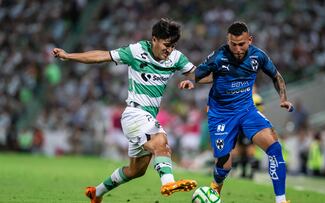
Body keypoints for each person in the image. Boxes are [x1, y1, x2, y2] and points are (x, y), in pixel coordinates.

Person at [53, 18, 197, 203]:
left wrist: (198, 79)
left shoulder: (176, 58)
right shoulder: (136, 51)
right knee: (161, 142)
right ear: (154, 39)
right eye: (166, 44)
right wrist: (68, 56)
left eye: (173, 45)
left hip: (146, 118)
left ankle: (96, 192)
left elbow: (199, 74)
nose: (169, 50)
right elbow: (102, 56)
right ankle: (168, 182)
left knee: (136, 170)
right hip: (134, 114)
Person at [194, 21, 293, 203]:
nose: (238, 49)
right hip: (221, 114)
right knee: (225, 165)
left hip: (247, 110)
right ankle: (214, 190)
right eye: (233, 44)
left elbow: (276, 76)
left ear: (250, 40)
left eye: (242, 44)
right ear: (228, 41)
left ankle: (281, 200)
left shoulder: (258, 56)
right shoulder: (218, 57)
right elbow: (197, 74)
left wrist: (283, 98)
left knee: (274, 148)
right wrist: (193, 81)